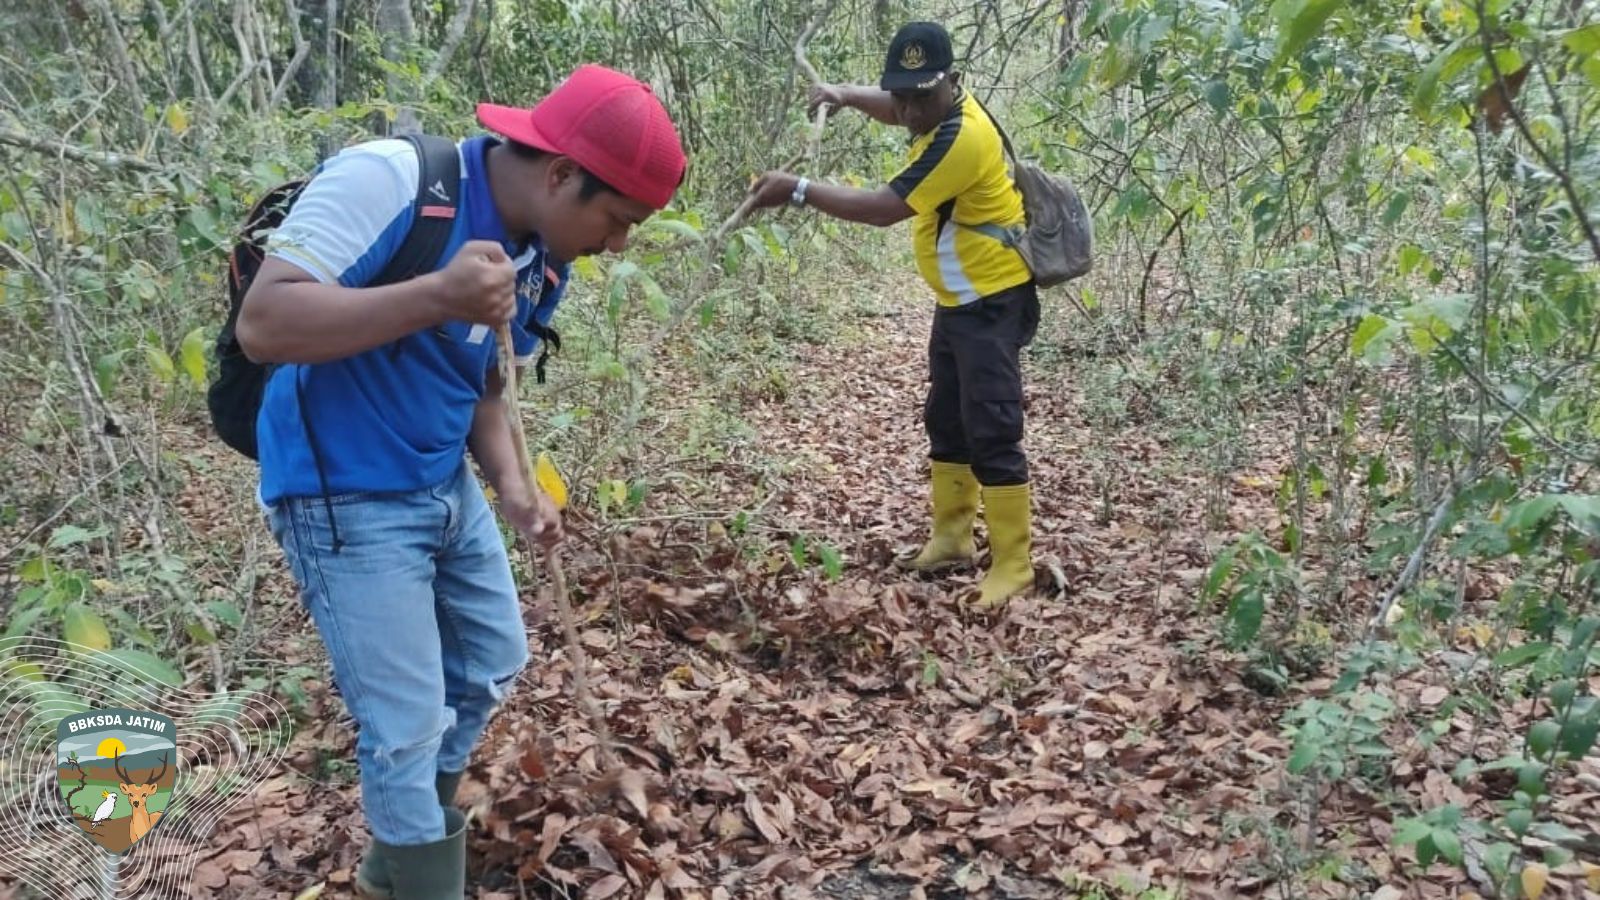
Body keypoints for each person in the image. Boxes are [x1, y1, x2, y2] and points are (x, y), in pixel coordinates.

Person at [234, 65, 686, 899]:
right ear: (560, 175)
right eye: (616, 219)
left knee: (489, 659)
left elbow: (483, 387)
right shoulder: (393, 180)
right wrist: (438, 294)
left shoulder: (544, 255)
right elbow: (265, 324)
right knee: (403, 727)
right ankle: (419, 876)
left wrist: (514, 486)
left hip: (441, 484)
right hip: (342, 493)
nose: (619, 242)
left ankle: (398, 849)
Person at [747, 22, 1037, 610]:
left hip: (993, 301)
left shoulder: (962, 139)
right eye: (900, 95)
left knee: (992, 427)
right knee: (947, 419)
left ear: (952, 84)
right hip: (959, 301)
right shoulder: (929, 110)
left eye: (920, 96)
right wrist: (846, 95)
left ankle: (1014, 563)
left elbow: (885, 209)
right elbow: (897, 105)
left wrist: (799, 188)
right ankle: (953, 539)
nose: (907, 110)